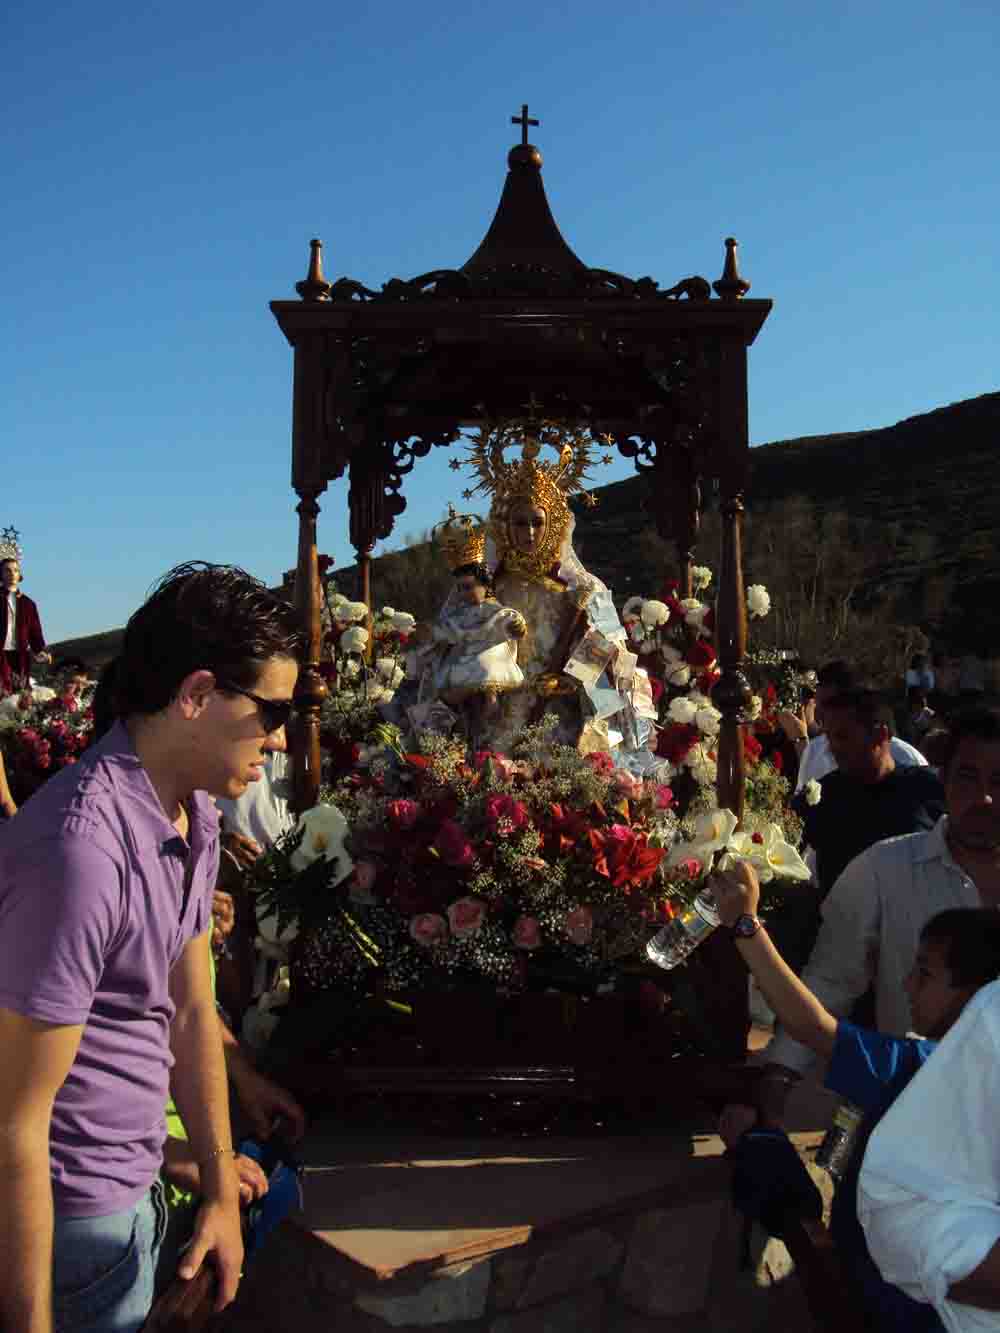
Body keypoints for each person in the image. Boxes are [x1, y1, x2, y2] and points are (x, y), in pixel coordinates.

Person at [0, 561, 301, 1333]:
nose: (280, 735)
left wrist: (215, 1187)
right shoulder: (82, 852)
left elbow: (192, 1010)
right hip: (73, 1227)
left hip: (133, 1193)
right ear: (197, 695)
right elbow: (15, 1121)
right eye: (269, 710)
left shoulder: (191, 814)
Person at [715, 858, 1000, 1330]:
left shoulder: (914, 1068)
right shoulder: (919, 1058)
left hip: (887, 1299)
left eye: (925, 975)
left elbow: (812, 1026)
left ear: (976, 999)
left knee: (762, 1150)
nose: (907, 985)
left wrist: (747, 925)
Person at [764, 706, 1000, 1086]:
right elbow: (830, 982)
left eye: (999, 781)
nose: (984, 798)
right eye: (969, 778)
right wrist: (779, 1077)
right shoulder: (883, 870)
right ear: (944, 779)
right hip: (915, 1108)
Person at [859, 980, 1000, 1332]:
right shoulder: (901, 1060)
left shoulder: (905, 1059)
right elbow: (810, 1026)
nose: (906, 985)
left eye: (924, 973)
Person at [796, 687, 945, 898]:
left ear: (880, 734)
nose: (832, 748)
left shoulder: (930, 788)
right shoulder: (819, 796)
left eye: (842, 736)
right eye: (829, 737)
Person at [781, 660, 927, 794]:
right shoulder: (814, 751)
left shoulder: (909, 760)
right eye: (819, 705)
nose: (823, 715)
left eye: (832, 704)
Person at [0, 551, 50, 695]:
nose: (12, 574)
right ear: (1, 574)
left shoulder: (28, 604)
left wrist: (40, 649)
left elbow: (35, 632)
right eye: (7, 570)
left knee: (20, 695)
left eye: (15, 570)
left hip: (20, 655)